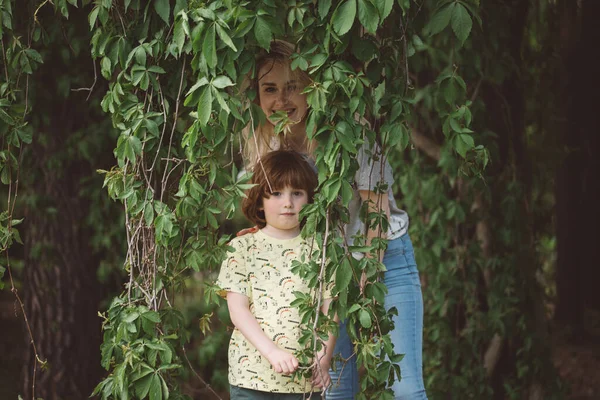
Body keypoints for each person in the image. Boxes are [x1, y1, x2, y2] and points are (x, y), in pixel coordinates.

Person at [240, 40, 428, 400]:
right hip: (322, 275)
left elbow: (376, 208)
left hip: (383, 258)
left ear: (312, 88)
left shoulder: (348, 131)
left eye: (292, 86)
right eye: (270, 89)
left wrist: (367, 275)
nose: (281, 99)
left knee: (403, 388)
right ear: (258, 97)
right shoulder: (263, 149)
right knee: (335, 390)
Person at [217, 149, 337, 399]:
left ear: (309, 198)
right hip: (251, 377)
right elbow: (238, 311)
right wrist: (272, 352)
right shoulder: (241, 247)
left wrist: (323, 359)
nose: (288, 203)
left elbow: (330, 310)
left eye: (297, 193)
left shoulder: (322, 249)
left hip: (304, 379)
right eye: (277, 193)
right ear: (260, 200)